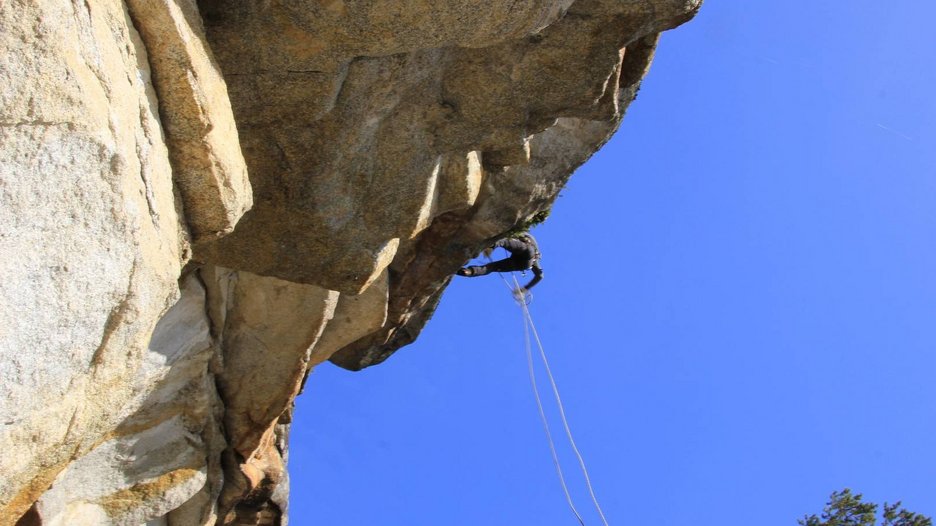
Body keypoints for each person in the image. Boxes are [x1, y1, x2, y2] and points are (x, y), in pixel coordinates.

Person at [457, 231, 544, 292]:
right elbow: (540, 276)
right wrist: (525, 289)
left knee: (503, 241)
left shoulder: (523, 233)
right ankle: (468, 272)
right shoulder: (535, 262)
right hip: (524, 264)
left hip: (527, 251)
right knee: (492, 267)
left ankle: (491, 247)